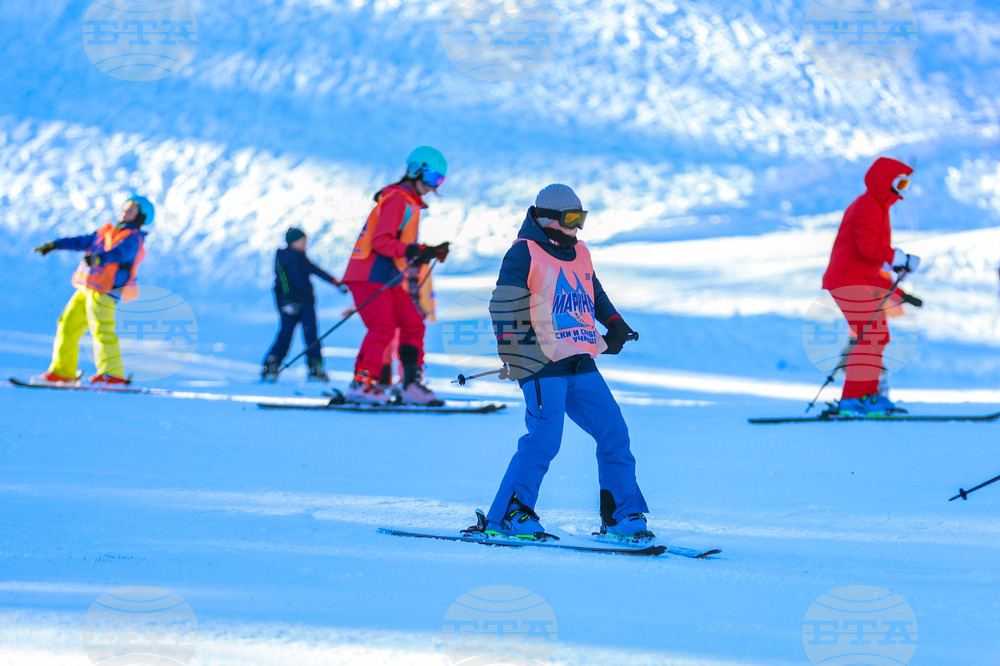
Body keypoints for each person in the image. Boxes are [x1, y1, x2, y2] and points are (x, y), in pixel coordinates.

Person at [482, 184, 650, 542]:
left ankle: (622, 515)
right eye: (572, 219)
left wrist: (615, 323)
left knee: (614, 432)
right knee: (544, 439)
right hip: (541, 362)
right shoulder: (523, 253)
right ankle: (510, 514)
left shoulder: (580, 252)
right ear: (548, 219)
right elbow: (502, 306)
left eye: (582, 218)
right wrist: (515, 351)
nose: (579, 227)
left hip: (580, 359)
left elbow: (593, 292)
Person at [341, 146, 451, 404]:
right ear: (416, 171)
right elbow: (381, 241)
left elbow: (398, 246)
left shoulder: (409, 203)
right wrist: (415, 250)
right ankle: (363, 384)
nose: (434, 186)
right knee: (383, 327)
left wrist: (425, 252)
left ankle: (410, 384)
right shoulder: (398, 199)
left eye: (440, 180)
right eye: (433, 178)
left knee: (413, 321)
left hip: (389, 277)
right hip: (369, 274)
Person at [822, 156, 921, 416]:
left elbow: (873, 261)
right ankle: (853, 400)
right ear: (885, 180)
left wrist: (897, 282)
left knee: (877, 334)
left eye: (907, 184)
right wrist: (898, 257)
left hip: (858, 280)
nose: (903, 190)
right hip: (847, 280)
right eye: (901, 182)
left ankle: (868, 397)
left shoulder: (877, 208)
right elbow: (868, 248)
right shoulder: (867, 206)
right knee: (869, 335)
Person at [31, 194, 153, 386]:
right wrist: (55, 244)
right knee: (67, 323)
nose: (124, 212)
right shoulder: (107, 231)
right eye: (124, 208)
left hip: (106, 290)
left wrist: (99, 258)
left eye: (131, 210)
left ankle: (113, 375)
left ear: (140, 218)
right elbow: (82, 241)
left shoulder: (133, 238)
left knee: (101, 328)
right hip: (87, 287)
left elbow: (120, 253)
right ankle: (63, 372)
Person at [261, 227, 346, 382]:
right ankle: (271, 365)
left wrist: (336, 283)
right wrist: (287, 302)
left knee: (310, 335)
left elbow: (317, 271)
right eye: (302, 241)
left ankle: (315, 368)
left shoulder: (301, 257)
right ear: (293, 242)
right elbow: (282, 282)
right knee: (288, 335)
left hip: (306, 303)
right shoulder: (284, 257)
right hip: (291, 305)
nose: (305, 244)